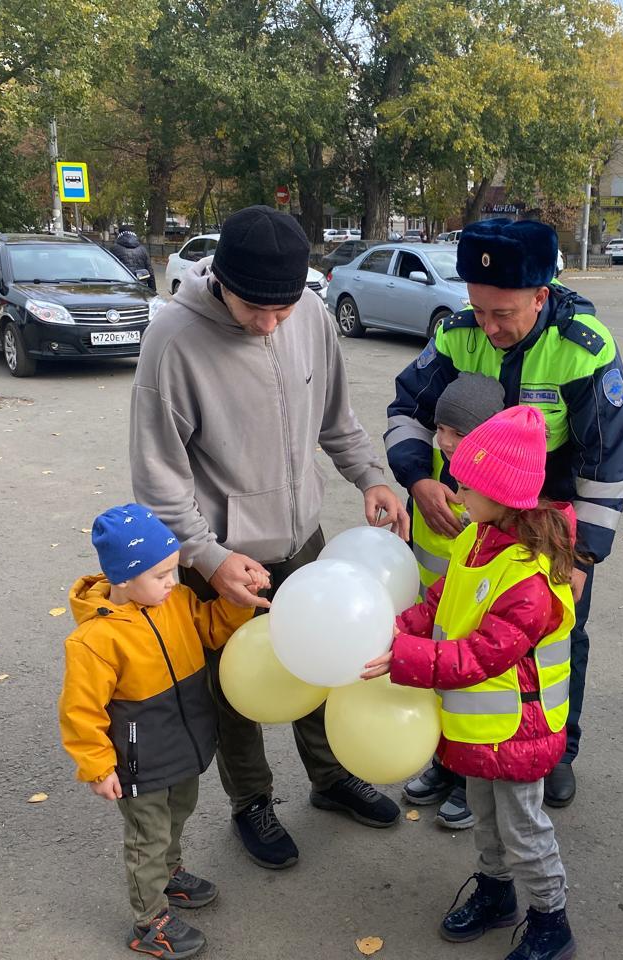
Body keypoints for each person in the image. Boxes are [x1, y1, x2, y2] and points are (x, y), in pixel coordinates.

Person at [130, 205, 410, 872]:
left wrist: (369, 476)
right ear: (220, 281)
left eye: (281, 310)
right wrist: (209, 555)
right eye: (257, 308)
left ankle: (330, 776)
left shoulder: (307, 315)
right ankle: (251, 800)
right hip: (222, 552)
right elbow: (157, 476)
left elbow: (335, 415)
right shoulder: (172, 340)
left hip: (302, 535)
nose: (269, 323)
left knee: (329, 661)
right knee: (239, 686)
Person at [386, 217, 623, 807]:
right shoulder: (457, 332)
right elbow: (407, 410)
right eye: (479, 309)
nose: (489, 327)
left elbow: (605, 460)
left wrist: (583, 557)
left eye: (504, 314)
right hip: (466, 526)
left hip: (550, 536)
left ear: (541, 295)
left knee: (553, 646)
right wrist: (419, 480)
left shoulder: (582, 350)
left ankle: (556, 751)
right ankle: (449, 757)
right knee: (455, 629)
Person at [364, 405, 580, 960]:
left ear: (503, 494)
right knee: (486, 822)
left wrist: (403, 657)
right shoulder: (476, 539)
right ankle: (495, 892)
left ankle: (550, 920)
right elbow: (442, 602)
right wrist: (395, 627)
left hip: (518, 730)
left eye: (466, 479)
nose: (454, 486)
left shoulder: (528, 577)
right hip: (482, 725)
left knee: (524, 832)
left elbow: (483, 655)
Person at [58, 504, 258, 959]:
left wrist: (233, 602)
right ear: (125, 579)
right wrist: (96, 765)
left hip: (181, 745)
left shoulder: (177, 603)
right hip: (137, 758)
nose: (173, 582)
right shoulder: (94, 641)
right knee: (148, 836)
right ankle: (150, 921)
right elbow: (80, 711)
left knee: (179, 811)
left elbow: (210, 630)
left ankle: (169, 872)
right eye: (161, 575)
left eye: (173, 571)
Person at [402, 372, 507, 830]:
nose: (443, 440)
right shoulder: (432, 465)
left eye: (456, 433)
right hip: (440, 610)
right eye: (440, 428)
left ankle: (469, 780)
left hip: (476, 627)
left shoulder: (494, 493)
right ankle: (445, 766)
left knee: (471, 702)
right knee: (443, 695)